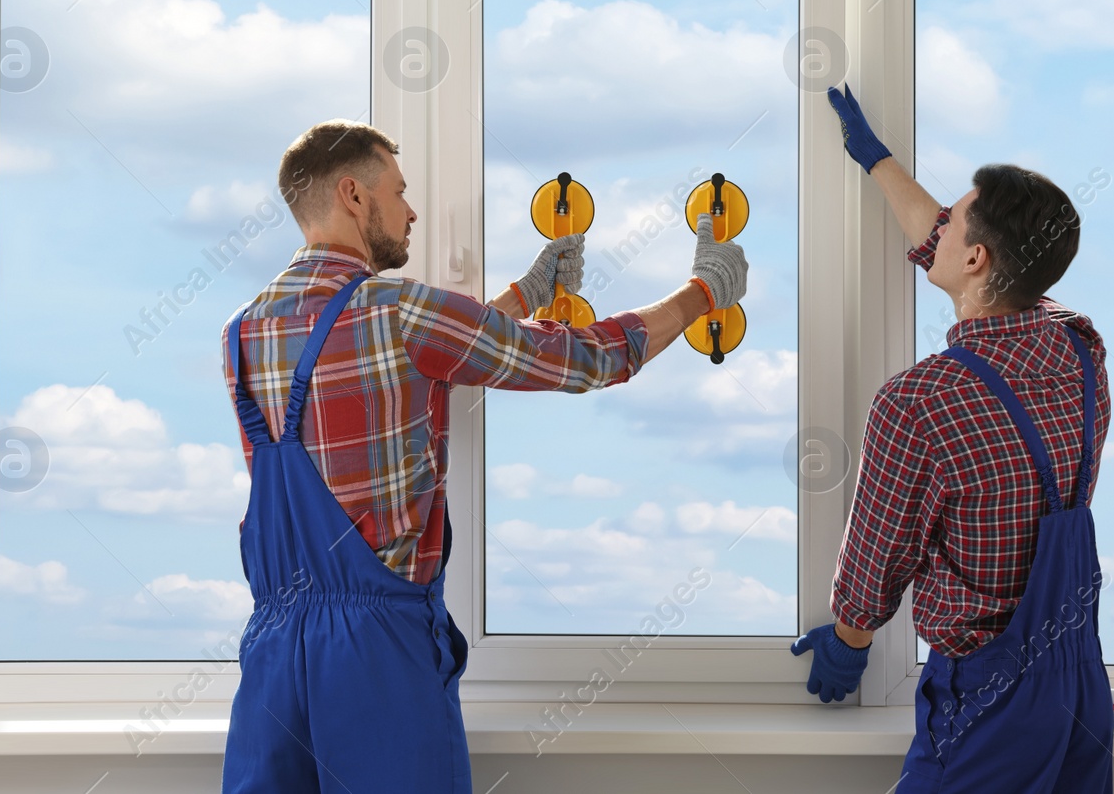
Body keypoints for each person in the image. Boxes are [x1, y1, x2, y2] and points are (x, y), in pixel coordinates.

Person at [219, 119, 748, 794]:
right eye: (399, 191)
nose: (411, 212)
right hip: (376, 654)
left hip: (272, 654)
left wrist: (526, 293)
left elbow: (405, 374)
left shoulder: (244, 329)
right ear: (353, 194)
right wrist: (701, 292)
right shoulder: (399, 310)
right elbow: (586, 359)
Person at [792, 86, 1114, 793]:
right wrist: (876, 161)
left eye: (954, 221)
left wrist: (848, 642)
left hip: (990, 701)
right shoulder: (1078, 346)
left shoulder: (922, 403)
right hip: (1081, 681)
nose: (936, 228)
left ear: (975, 259)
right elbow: (975, 248)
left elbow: (878, 559)